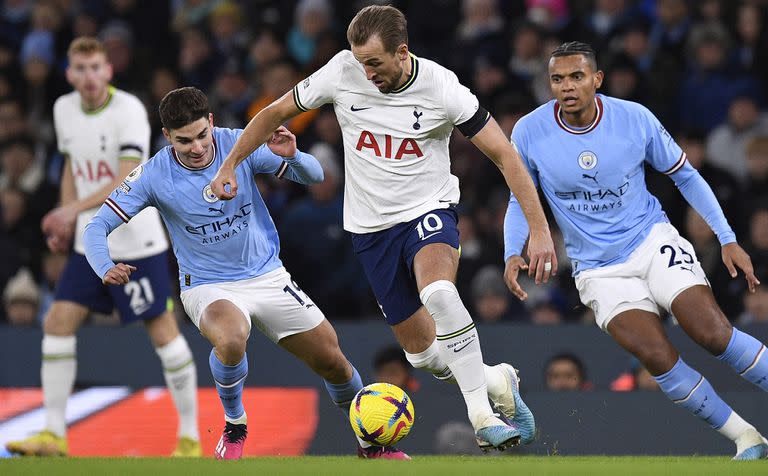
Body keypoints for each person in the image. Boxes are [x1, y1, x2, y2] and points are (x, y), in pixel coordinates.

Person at [211, 5, 557, 451]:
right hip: (370, 229)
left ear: (402, 52)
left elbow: (506, 155)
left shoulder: (442, 88)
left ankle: (482, 417)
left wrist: (540, 229)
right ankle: (495, 379)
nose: (366, 72)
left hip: (428, 210)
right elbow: (273, 112)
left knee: (439, 293)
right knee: (425, 356)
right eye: (360, 61)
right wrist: (230, 164)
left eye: (374, 62)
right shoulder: (341, 71)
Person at [81, 86, 401, 460]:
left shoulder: (239, 145)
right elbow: (96, 227)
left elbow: (315, 177)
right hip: (207, 285)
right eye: (184, 141)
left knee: (333, 362)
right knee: (232, 338)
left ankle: (371, 448)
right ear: (167, 137)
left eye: (202, 135)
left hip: (268, 276)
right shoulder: (153, 175)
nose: (198, 147)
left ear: (212, 123)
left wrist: (294, 156)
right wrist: (105, 266)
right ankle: (235, 425)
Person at [504, 41, 768, 460]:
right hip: (596, 269)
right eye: (557, 79)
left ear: (597, 79)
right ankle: (746, 438)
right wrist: (511, 251)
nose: (567, 87)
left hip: (651, 241)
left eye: (576, 77)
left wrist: (727, 237)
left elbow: (686, 175)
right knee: (657, 356)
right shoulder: (529, 131)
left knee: (712, 333)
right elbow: (521, 198)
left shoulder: (634, 118)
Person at [5, 37, 200, 458]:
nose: (89, 77)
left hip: (136, 241)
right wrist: (67, 216)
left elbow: (127, 181)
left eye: (96, 67)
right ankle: (53, 435)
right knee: (57, 322)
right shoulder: (63, 110)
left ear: (108, 71)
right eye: (81, 68)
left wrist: (70, 209)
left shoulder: (128, 110)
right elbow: (74, 168)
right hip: (87, 242)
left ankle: (190, 437)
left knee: (162, 332)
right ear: (69, 73)